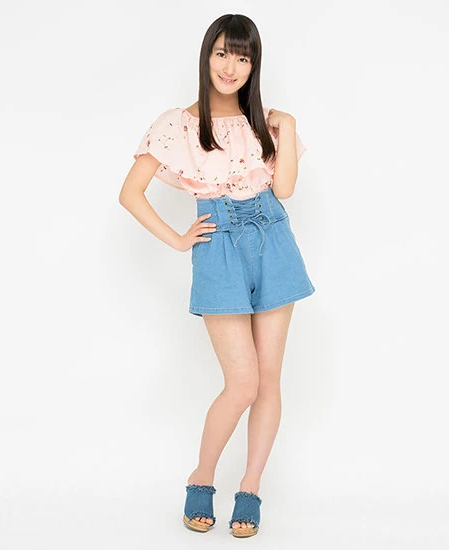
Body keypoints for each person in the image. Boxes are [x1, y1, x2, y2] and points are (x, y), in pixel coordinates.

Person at [118, 13, 316, 538]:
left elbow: (285, 189)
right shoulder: (177, 124)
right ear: (207, 56)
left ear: (254, 65)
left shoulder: (266, 122)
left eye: (243, 57)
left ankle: (250, 487)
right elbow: (130, 193)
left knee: (268, 380)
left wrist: (289, 127)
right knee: (242, 382)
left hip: (273, 238)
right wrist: (179, 239)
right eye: (222, 53)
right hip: (219, 245)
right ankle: (201, 475)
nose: (231, 67)